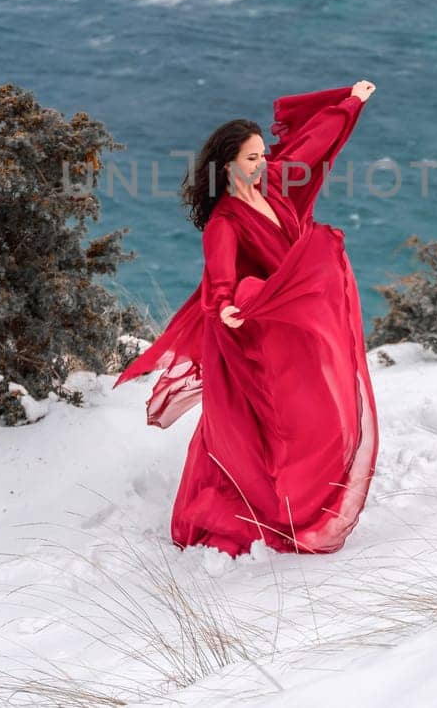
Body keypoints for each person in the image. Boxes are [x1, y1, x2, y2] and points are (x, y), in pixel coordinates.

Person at [113, 81, 379, 556]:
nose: (262, 163)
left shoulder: (274, 184)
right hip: (247, 334)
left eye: (261, 154)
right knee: (254, 430)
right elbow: (218, 280)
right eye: (252, 157)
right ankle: (251, 511)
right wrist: (227, 306)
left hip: (284, 324)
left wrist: (351, 102)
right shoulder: (225, 222)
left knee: (309, 412)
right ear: (228, 164)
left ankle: (305, 499)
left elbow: (315, 143)